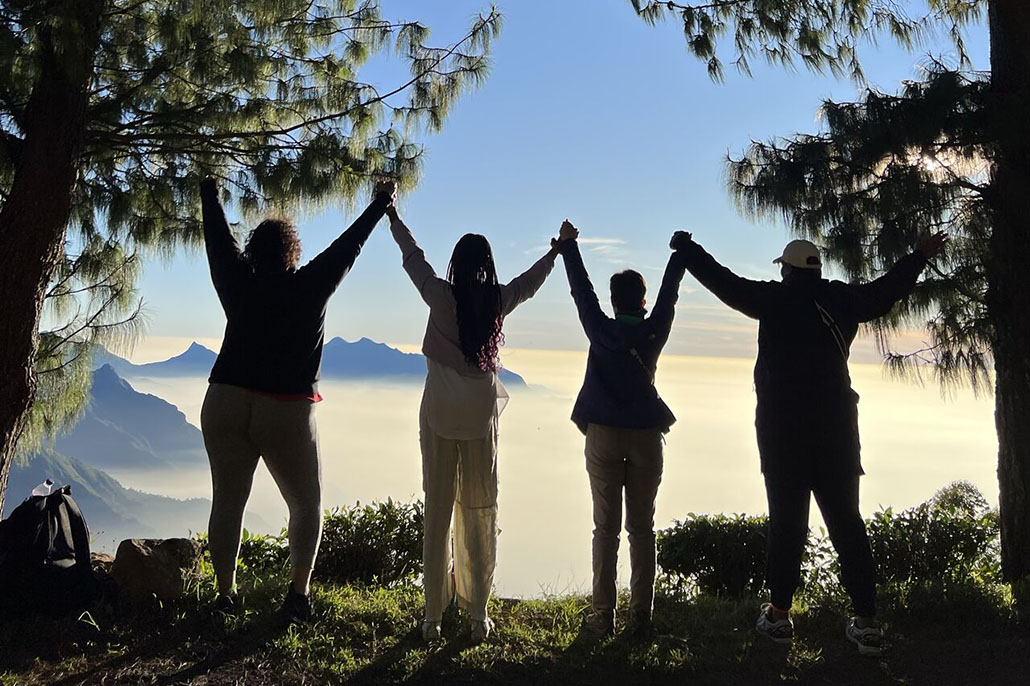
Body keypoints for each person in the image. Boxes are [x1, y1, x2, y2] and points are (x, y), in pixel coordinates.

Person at [674, 229, 949, 656]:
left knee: (788, 525)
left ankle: (780, 616)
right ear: (817, 270)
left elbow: (723, 282)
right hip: (837, 433)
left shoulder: (772, 299)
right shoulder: (842, 300)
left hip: (782, 435)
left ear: (785, 270)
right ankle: (867, 623)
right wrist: (918, 256)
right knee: (847, 525)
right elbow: (887, 291)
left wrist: (688, 249)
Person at [198, 177, 396, 624]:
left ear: (252, 251)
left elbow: (216, 238)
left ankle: (225, 597)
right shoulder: (311, 285)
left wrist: (209, 192)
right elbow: (350, 246)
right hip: (285, 408)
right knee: (306, 504)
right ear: (293, 253)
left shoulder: (235, 280)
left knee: (227, 503)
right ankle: (298, 599)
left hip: (224, 398)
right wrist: (381, 202)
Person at [386, 203, 567, 643]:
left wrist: (391, 214)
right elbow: (529, 284)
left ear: (455, 265)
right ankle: (477, 614)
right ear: (486, 267)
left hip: (440, 417)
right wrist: (557, 251)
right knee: (478, 509)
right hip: (481, 421)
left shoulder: (440, 297)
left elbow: (414, 258)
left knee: (438, 512)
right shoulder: (495, 302)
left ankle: (431, 618)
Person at [554, 220, 688, 637]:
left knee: (605, 530)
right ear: (642, 302)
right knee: (641, 529)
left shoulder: (600, 329)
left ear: (613, 302)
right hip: (648, 435)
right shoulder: (653, 330)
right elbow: (670, 295)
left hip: (603, 436)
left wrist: (569, 247)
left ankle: (601, 616)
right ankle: (640, 619)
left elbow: (582, 292)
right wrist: (679, 255)